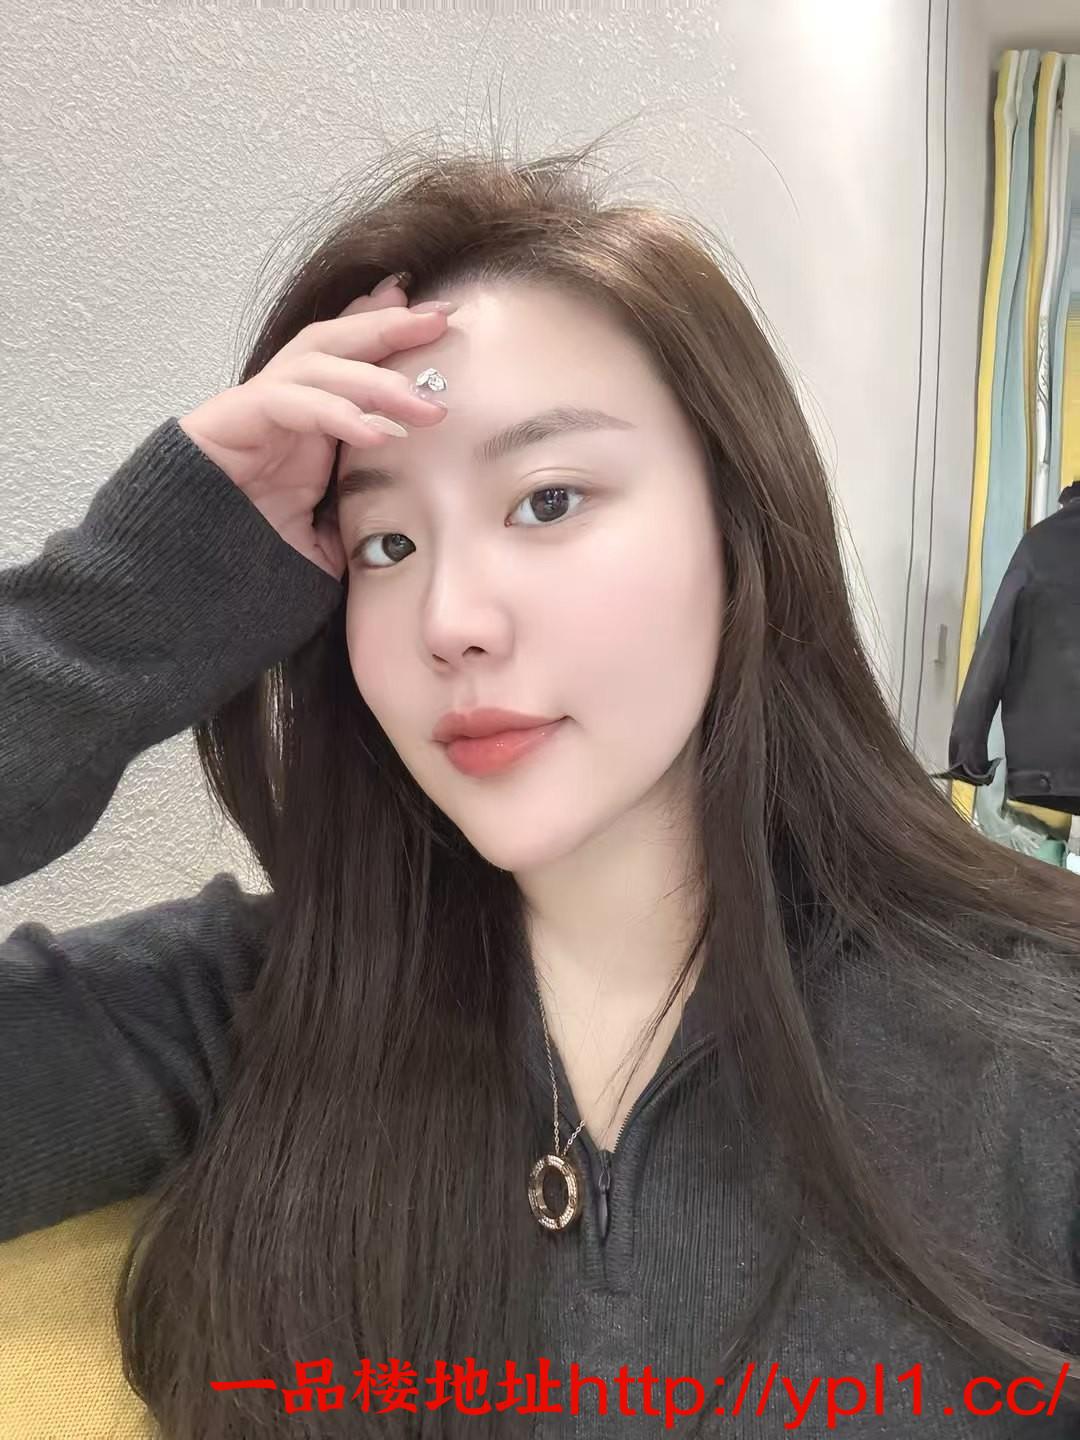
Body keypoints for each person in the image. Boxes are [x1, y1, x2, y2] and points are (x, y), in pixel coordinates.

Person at [1, 138, 1077, 1440]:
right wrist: (131, 605)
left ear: (741, 530)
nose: (451, 619)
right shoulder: (255, 1008)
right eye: (388, 542)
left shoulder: (1033, 1052)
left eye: (548, 499)